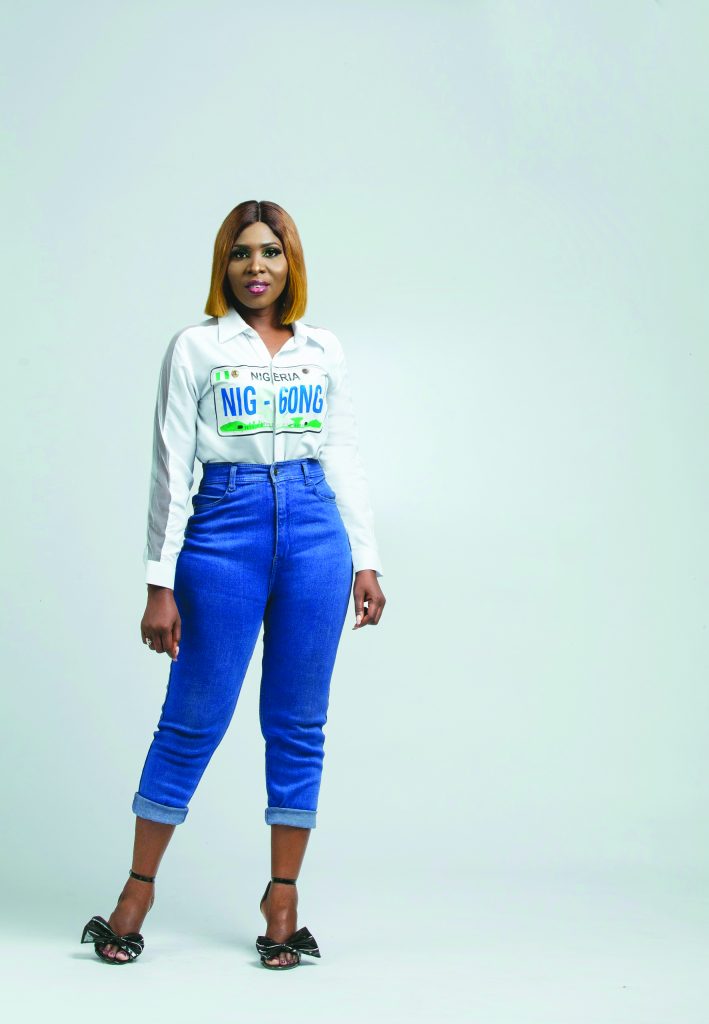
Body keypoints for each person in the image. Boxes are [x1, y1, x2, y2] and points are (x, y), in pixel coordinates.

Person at [80, 199, 386, 969]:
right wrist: (158, 580)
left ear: (291, 263)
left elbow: (342, 451)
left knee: (298, 721)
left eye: (271, 252)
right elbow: (169, 466)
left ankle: (282, 898)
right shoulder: (197, 348)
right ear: (225, 264)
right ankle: (136, 892)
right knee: (193, 717)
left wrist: (366, 558)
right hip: (223, 528)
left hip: (315, 530)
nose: (257, 266)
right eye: (243, 252)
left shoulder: (322, 348)